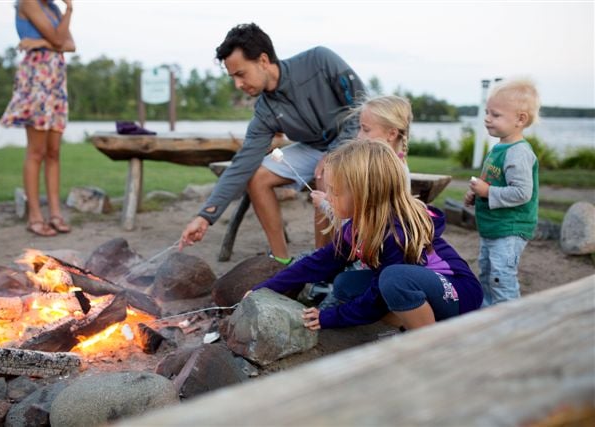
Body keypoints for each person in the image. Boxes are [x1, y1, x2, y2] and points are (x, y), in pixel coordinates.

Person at [179, 23, 366, 265]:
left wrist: (336, 153)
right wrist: (205, 216)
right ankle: (280, 260)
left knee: (327, 172)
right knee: (256, 176)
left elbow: (361, 107)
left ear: (263, 60)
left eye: (240, 74)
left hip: (355, 142)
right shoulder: (265, 110)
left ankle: (322, 266)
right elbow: (242, 163)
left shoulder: (320, 61)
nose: (237, 84)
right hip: (312, 148)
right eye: (233, 77)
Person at [250, 140, 483, 331]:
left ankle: (428, 341)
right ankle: (413, 323)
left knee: (392, 280)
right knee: (344, 286)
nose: (328, 196)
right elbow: (319, 262)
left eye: (336, 191)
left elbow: (378, 297)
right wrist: (266, 288)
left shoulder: (396, 234)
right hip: (418, 289)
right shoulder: (357, 226)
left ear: (365, 195)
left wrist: (329, 317)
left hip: (458, 294)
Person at [0, 0, 75, 237]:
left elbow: (69, 44)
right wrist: (51, 42)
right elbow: (57, 41)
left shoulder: (54, 8)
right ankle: (34, 216)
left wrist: (69, 9)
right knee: (36, 151)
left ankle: (55, 213)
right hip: (36, 78)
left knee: (54, 151)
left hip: (56, 80)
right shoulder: (28, 2)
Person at [464, 78, 540, 306]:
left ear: (520, 119)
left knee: (501, 277)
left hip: (510, 229)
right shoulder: (500, 147)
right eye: (487, 112)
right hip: (493, 227)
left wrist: (487, 192)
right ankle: (490, 314)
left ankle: (511, 320)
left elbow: (522, 193)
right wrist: (477, 194)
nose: (487, 118)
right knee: (487, 273)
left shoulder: (518, 152)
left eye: (495, 115)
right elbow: (493, 181)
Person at [310, 94, 413, 215]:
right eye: (360, 128)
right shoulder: (393, 166)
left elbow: (358, 222)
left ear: (391, 134)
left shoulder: (378, 172)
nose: (358, 135)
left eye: (366, 129)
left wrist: (324, 204)